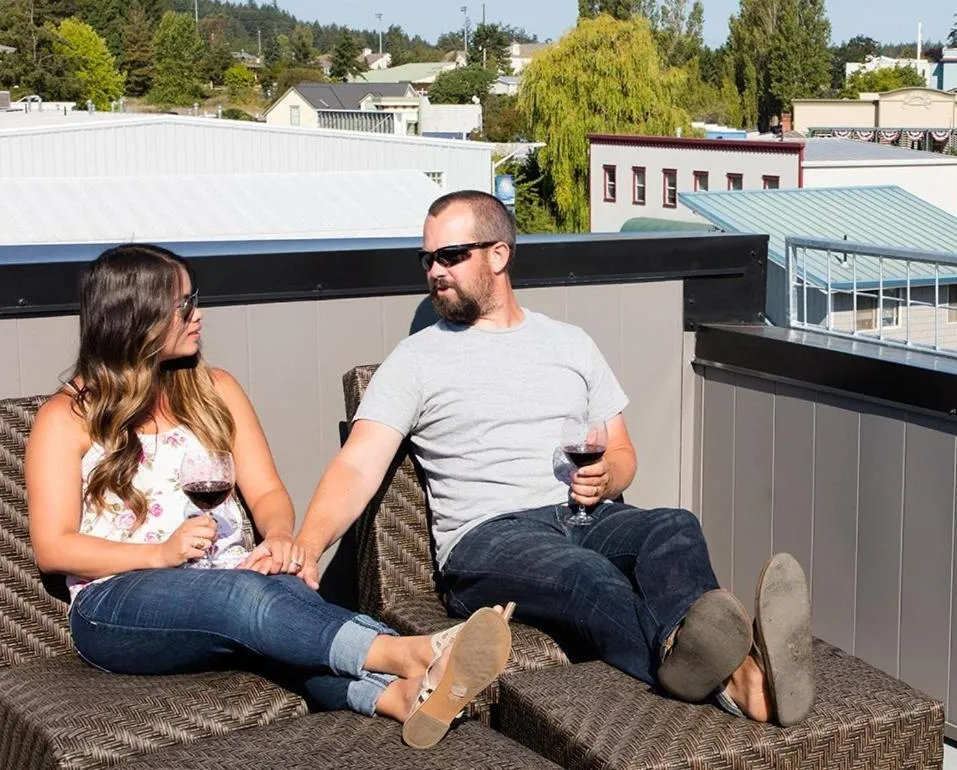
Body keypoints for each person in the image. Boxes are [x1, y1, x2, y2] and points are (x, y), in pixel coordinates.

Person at [290, 191, 815, 727]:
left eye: (450, 256)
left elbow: (623, 452)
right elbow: (358, 465)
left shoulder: (571, 344)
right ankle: (741, 675)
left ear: (498, 255)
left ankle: (695, 655)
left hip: (583, 515)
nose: (435, 272)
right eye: (427, 259)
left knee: (674, 527)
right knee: (588, 576)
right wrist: (307, 544)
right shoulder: (416, 360)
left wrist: (610, 476)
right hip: (489, 536)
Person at [26, 243, 514, 750]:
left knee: (284, 606)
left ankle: (401, 699)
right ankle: (411, 654)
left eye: (196, 299)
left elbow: (267, 492)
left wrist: (280, 537)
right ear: (136, 318)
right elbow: (53, 546)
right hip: (117, 601)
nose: (199, 316)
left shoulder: (214, 390)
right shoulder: (67, 418)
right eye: (184, 306)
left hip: (233, 580)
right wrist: (159, 553)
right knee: (248, 599)